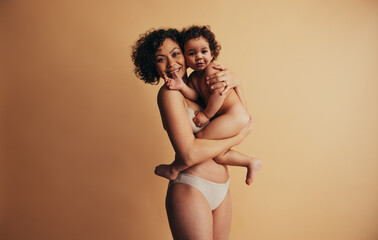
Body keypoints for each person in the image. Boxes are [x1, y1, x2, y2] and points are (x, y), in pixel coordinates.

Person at [132, 28, 253, 239]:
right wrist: (237, 139)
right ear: (153, 66)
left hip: (222, 187)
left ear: (186, 54)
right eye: (161, 59)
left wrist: (237, 84)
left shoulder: (201, 86)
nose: (171, 64)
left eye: (176, 54)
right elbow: (188, 154)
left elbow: (240, 117)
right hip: (192, 187)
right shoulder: (170, 95)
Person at [158, 25, 262, 185]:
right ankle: (250, 162)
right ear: (186, 56)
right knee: (218, 153)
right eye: (192, 53)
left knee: (201, 138)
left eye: (204, 52)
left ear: (212, 53)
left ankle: (174, 168)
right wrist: (181, 86)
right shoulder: (191, 79)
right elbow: (196, 95)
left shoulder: (212, 70)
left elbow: (218, 95)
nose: (198, 57)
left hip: (233, 115)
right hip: (194, 182)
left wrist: (207, 115)